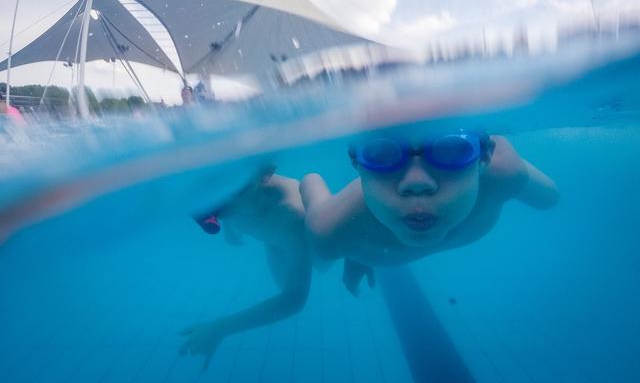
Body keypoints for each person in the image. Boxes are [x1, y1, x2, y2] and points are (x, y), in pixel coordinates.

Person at [300, 130, 559, 295]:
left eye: (452, 149)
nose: (416, 182)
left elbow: (549, 198)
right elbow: (308, 183)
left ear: (484, 158)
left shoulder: (505, 173)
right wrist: (355, 252)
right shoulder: (331, 230)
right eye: (380, 154)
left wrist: (360, 253)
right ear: (356, 163)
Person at [179, 168, 311, 371]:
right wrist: (230, 230)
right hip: (274, 241)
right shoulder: (228, 196)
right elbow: (226, 204)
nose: (222, 204)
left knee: (324, 263)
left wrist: (220, 329)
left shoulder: (291, 213)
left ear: (265, 175)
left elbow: (294, 300)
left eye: (236, 191)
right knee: (281, 286)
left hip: (305, 241)